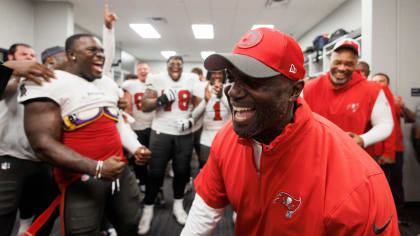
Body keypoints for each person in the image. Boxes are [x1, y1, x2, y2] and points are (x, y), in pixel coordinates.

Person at [181, 27, 399, 235]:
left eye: (253, 81)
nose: (234, 91)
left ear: (294, 91)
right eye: (232, 78)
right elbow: (204, 211)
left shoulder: (358, 180)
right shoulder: (228, 138)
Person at [0, 43, 59, 236]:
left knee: (33, 210)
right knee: (4, 212)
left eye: (32, 55)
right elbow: (5, 91)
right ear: (11, 58)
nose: (29, 58)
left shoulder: (42, 81)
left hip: (40, 159)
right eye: (23, 54)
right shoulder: (9, 79)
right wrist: (13, 71)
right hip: (9, 156)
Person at [138, 55, 199, 234]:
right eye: (172, 64)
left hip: (184, 133)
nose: (175, 67)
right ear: (166, 66)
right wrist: (162, 99)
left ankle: (178, 205)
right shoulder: (156, 79)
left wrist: (191, 120)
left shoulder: (192, 79)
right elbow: (145, 106)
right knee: (155, 172)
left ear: (182, 67)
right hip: (161, 131)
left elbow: (199, 104)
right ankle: (148, 209)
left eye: (179, 65)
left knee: (181, 171)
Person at [303, 38, 394, 149]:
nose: (342, 68)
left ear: (356, 64)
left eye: (348, 64)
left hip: (353, 158)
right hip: (316, 154)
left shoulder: (373, 90)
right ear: (330, 61)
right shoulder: (309, 88)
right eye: (337, 62)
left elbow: (385, 124)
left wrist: (363, 139)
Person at [373, 72, 415, 225]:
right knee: (380, 184)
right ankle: (383, 216)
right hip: (377, 150)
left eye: (381, 81)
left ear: (388, 83)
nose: (378, 84)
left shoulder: (395, 100)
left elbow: (411, 119)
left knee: (396, 182)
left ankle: (399, 215)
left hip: (396, 149)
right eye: (375, 81)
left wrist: (402, 107)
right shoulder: (371, 99)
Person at [121, 62, 153, 194]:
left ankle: (155, 184)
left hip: (154, 125)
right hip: (137, 126)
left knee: (156, 157)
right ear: (137, 72)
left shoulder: (156, 83)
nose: (143, 71)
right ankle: (143, 181)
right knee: (139, 156)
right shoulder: (130, 85)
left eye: (145, 68)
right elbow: (126, 107)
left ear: (149, 70)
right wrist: (127, 126)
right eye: (140, 69)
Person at [192, 70, 230, 168]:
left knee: (226, 168)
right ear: (209, 74)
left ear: (224, 75)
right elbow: (194, 116)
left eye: (220, 73)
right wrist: (205, 101)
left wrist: (221, 96)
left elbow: (235, 112)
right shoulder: (202, 88)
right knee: (205, 169)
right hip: (206, 137)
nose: (217, 75)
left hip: (226, 136)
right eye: (214, 73)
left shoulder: (230, 88)